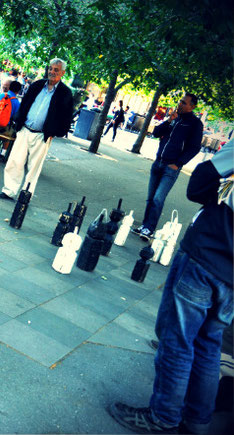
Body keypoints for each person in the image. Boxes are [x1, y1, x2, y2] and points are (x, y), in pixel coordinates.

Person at [109, 140, 233, 434]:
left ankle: (163, 415)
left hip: (211, 250)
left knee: (178, 339)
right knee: (209, 342)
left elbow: (202, 179)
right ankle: (197, 421)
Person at [0, 58, 73, 201]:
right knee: (15, 162)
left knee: (34, 168)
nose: (52, 72)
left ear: (62, 73)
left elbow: (66, 116)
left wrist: (55, 132)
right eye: (50, 68)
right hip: (25, 129)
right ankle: (9, 191)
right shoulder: (37, 85)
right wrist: (18, 122)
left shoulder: (65, 93)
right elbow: (25, 103)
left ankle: (26, 195)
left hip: (43, 135)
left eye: (56, 70)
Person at [133, 94, 203, 241]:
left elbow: (194, 147)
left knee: (158, 198)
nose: (180, 104)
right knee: (150, 198)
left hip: (171, 167)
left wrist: (178, 164)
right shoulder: (174, 118)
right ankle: (145, 225)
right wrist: (169, 120)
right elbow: (156, 133)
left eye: (184, 103)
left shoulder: (195, 124)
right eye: (180, 101)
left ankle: (149, 229)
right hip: (158, 162)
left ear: (192, 106)